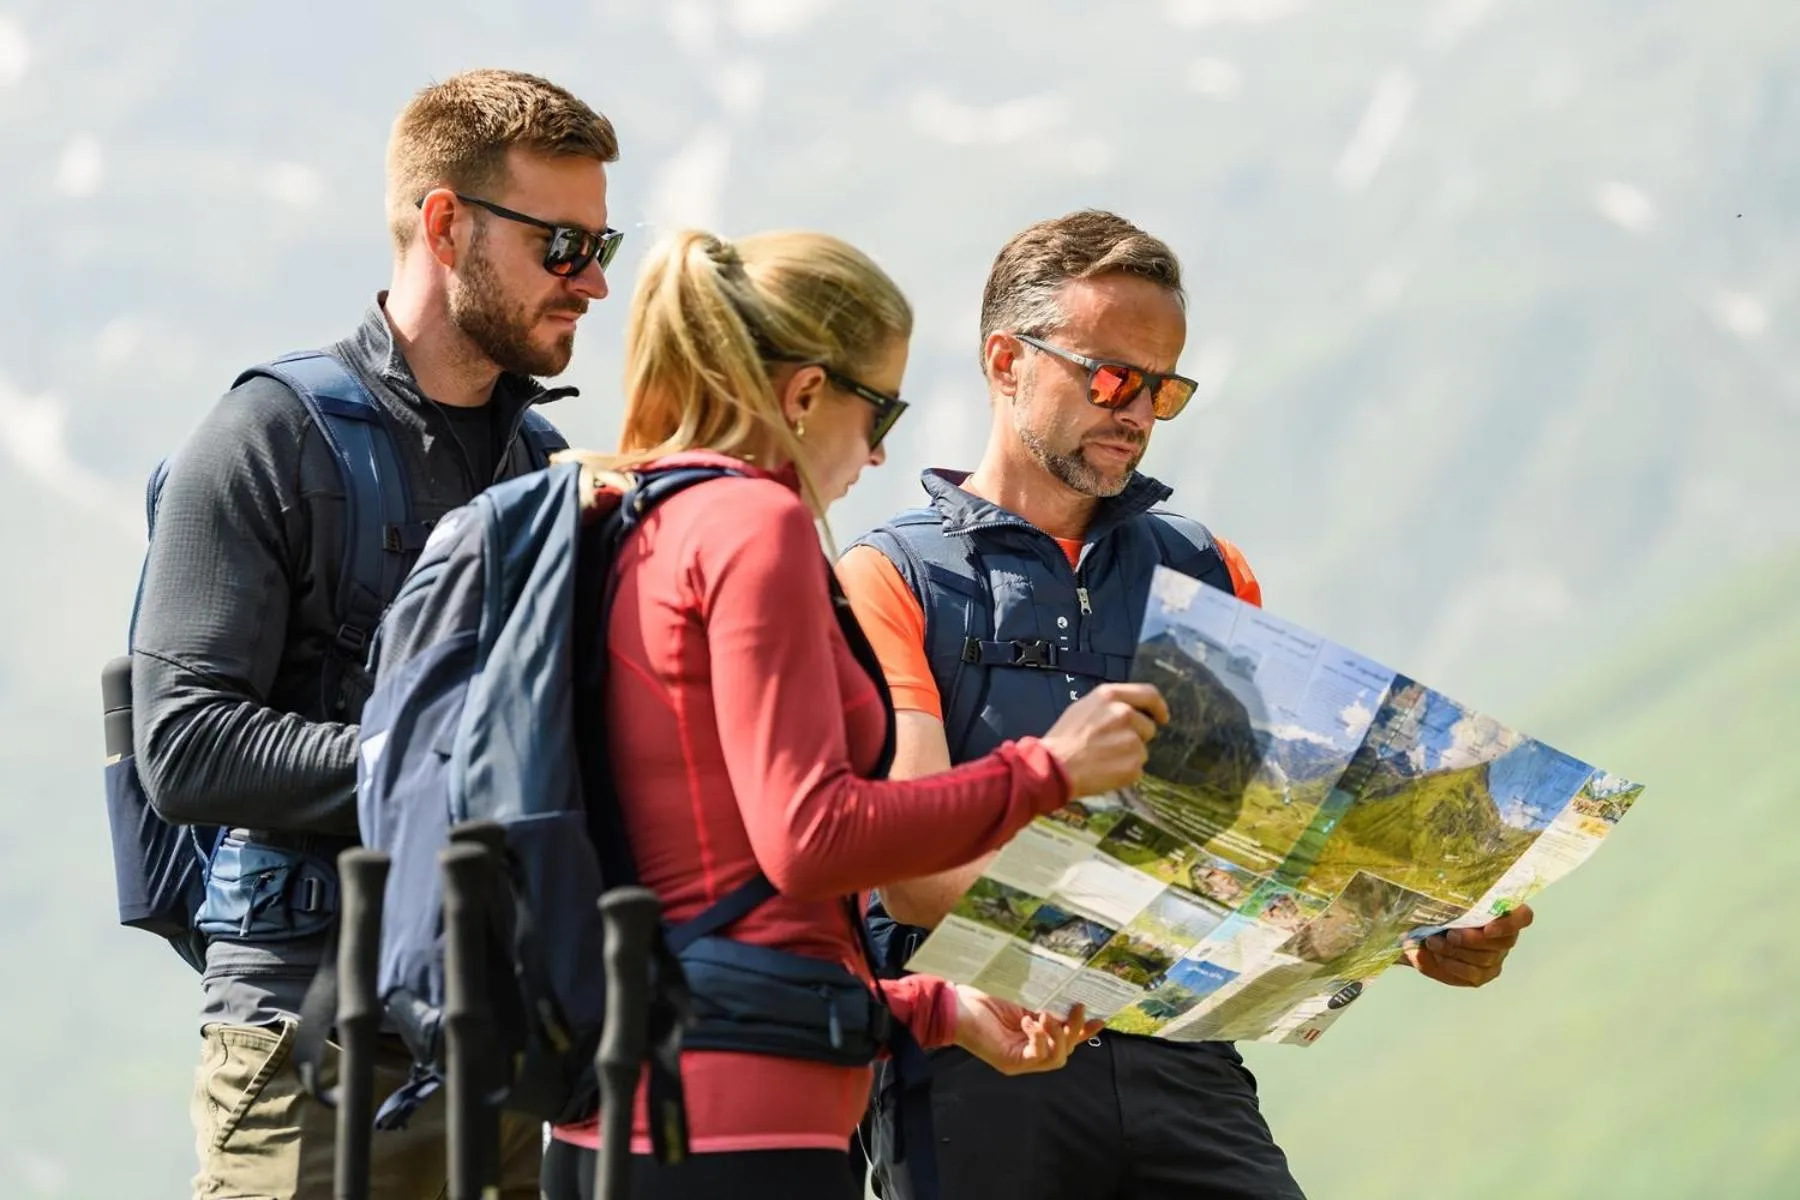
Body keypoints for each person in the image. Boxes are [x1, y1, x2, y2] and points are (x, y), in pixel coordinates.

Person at [838, 209, 1539, 1200]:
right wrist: (1166, 920)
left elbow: (1275, 845)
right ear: (1006, 361)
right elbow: (908, 874)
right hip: (980, 1061)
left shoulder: (1208, 569)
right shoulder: (890, 575)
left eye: (1164, 388)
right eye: (1112, 376)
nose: (1138, 412)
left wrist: (1414, 932)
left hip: (1186, 1059)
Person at [536, 227, 1170, 1200]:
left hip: (615, 1103)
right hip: (740, 1129)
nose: (879, 455)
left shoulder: (629, 514)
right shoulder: (753, 521)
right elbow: (809, 838)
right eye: (881, 410)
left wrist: (934, 1011)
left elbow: (708, 884)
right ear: (803, 395)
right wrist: (1045, 770)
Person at [132, 68, 621, 1198]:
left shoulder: (545, 469)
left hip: (500, 1048)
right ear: (446, 224)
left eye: (603, 244)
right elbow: (186, 745)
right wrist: (447, 771)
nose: (594, 281)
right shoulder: (266, 438)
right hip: (307, 1047)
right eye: (561, 245)